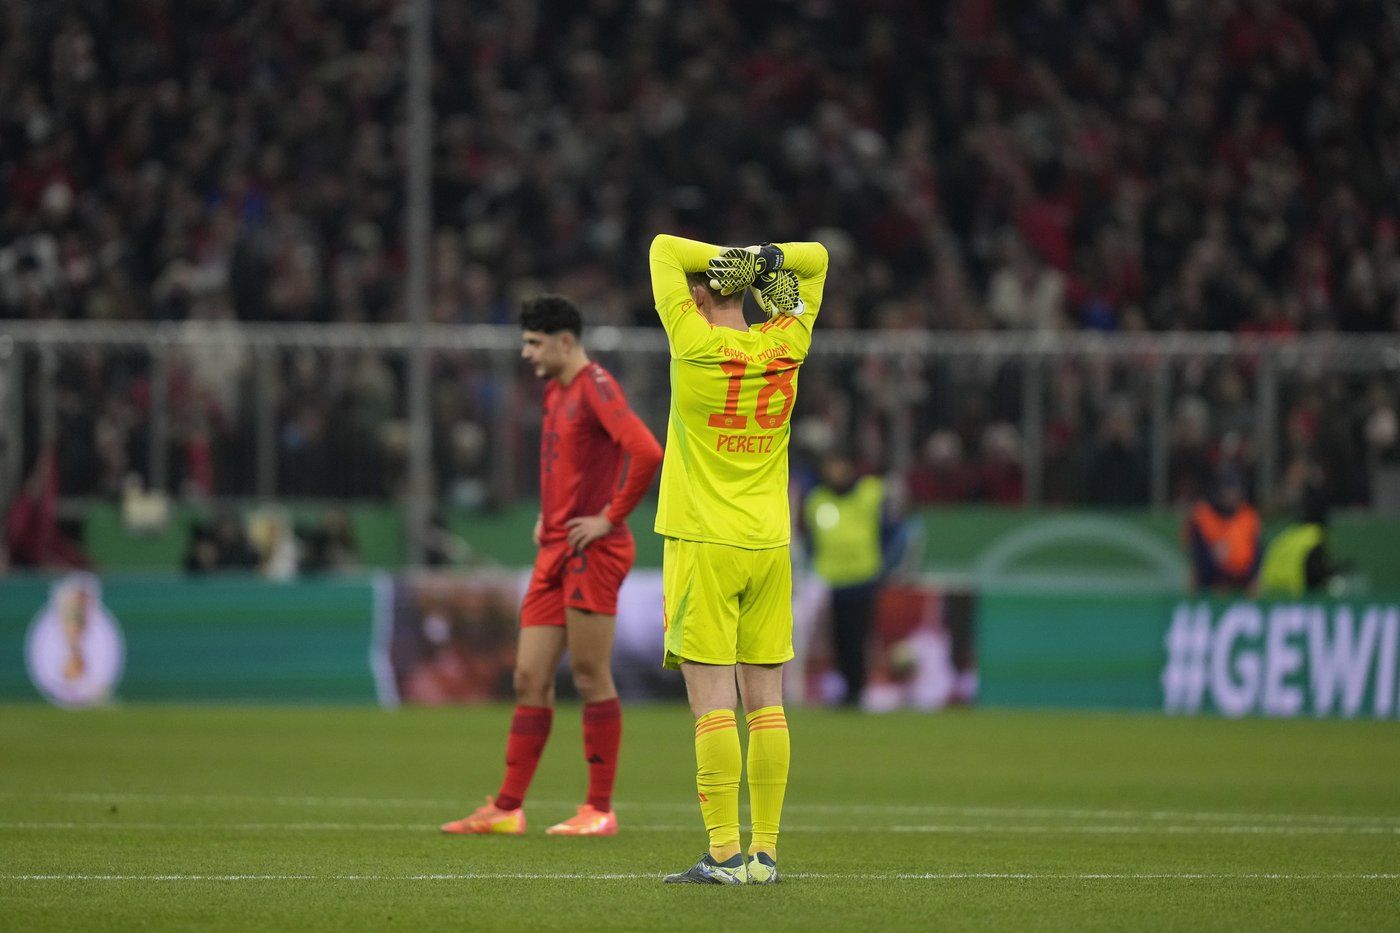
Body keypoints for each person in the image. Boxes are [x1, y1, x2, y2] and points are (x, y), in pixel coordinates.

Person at [440, 295, 663, 837]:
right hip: (555, 549)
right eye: (525, 341)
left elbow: (647, 451)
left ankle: (600, 810)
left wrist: (609, 518)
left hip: (594, 551)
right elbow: (569, 463)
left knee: (589, 675)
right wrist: (551, 513)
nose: (525, 352)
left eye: (534, 342)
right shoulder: (555, 390)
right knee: (527, 677)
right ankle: (507, 808)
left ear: (566, 341)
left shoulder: (597, 386)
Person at [648, 233, 827, 885]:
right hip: (770, 544)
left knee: (712, 704)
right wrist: (762, 260)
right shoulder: (787, 342)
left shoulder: (692, 345)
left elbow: (663, 245)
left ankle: (724, 852)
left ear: (697, 293)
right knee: (767, 702)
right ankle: (766, 855)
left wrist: (734, 263)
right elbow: (819, 259)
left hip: (704, 542)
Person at [801, 452, 902, 707]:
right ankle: (847, 689)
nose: (834, 472)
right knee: (838, 639)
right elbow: (811, 539)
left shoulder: (870, 492)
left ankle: (858, 690)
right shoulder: (817, 499)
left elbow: (891, 528)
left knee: (858, 638)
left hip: (863, 577)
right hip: (830, 581)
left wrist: (886, 564)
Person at [1184, 469, 1261, 596]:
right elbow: (1200, 556)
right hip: (1211, 587)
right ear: (1218, 491)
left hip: (1244, 586)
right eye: (1227, 490)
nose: (1231, 496)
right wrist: (1217, 578)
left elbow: (1257, 552)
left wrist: (1252, 578)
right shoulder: (1203, 516)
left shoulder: (1248, 515)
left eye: (1235, 491)